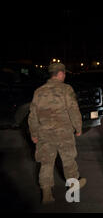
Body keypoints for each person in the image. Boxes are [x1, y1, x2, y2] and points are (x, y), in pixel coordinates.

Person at [28, 63, 87, 204]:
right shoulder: (66, 89)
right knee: (68, 161)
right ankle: (73, 192)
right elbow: (73, 110)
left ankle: (47, 194)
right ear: (60, 74)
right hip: (64, 133)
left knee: (46, 164)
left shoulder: (39, 91)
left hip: (44, 134)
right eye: (64, 73)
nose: (65, 76)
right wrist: (78, 128)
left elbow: (32, 115)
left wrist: (33, 133)